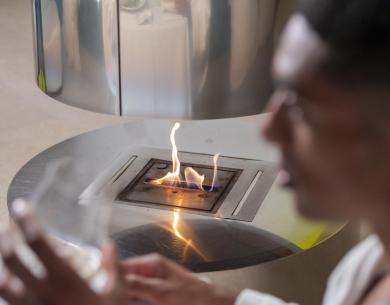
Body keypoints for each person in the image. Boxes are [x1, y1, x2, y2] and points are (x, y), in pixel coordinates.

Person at [2, 0, 390, 304]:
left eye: (303, 110)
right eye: (280, 95)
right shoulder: (372, 259)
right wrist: (218, 300)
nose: (270, 129)